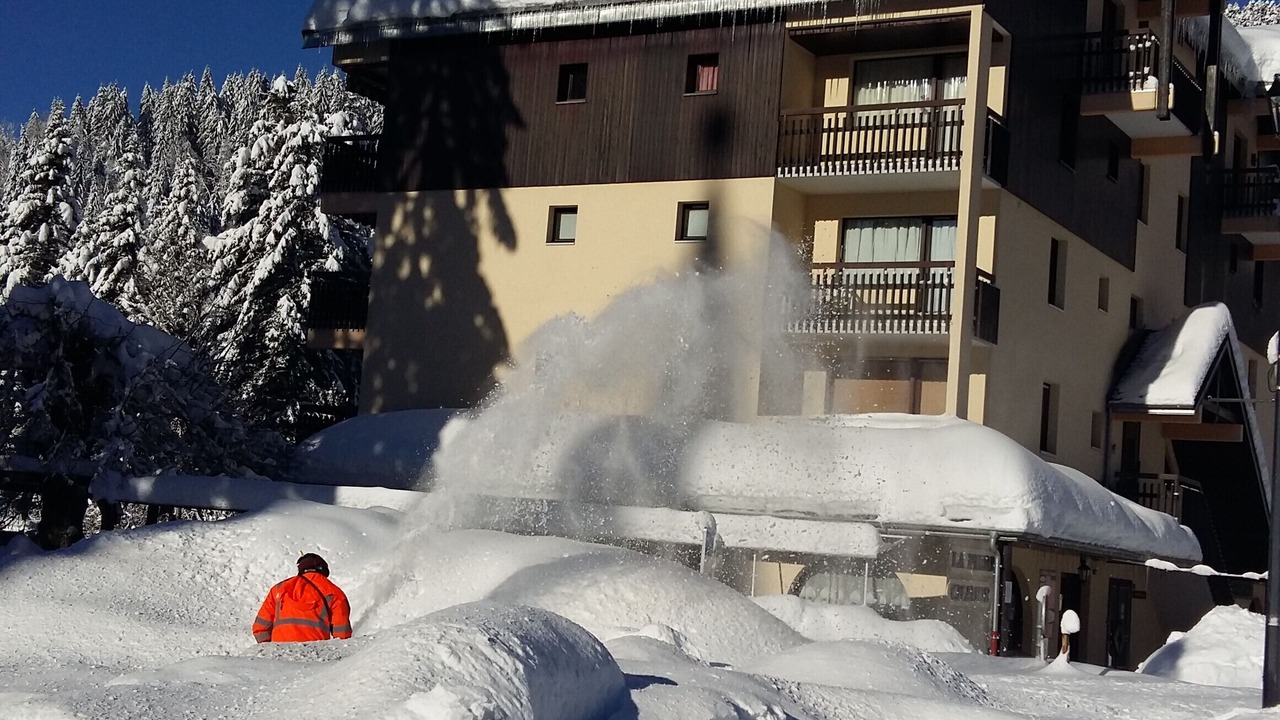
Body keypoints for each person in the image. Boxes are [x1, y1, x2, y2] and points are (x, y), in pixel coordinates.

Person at [253, 552, 352, 643]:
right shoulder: (335, 593)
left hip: (279, 654)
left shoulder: (278, 589)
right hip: (316, 654)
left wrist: (269, 651)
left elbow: (260, 628)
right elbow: (342, 635)